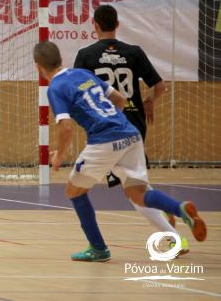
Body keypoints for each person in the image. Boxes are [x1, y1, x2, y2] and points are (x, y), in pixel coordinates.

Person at [34, 41, 206, 262]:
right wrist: (113, 122)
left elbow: (65, 127)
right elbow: (120, 99)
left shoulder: (56, 87)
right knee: (139, 194)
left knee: (74, 191)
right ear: (60, 59)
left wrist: (59, 155)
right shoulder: (82, 74)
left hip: (104, 141)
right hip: (130, 133)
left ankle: (98, 249)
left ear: (38, 66)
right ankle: (180, 209)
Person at [72, 5, 188, 254]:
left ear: (94, 24)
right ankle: (168, 217)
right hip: (134, 123)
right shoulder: (133, 52)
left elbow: (80, 93)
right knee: (133, 184)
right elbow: (160, 86)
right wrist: (148, 102)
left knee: (131, 188)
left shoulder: (85, 55)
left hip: (108, 127)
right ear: (117, 24)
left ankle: (171, 228)